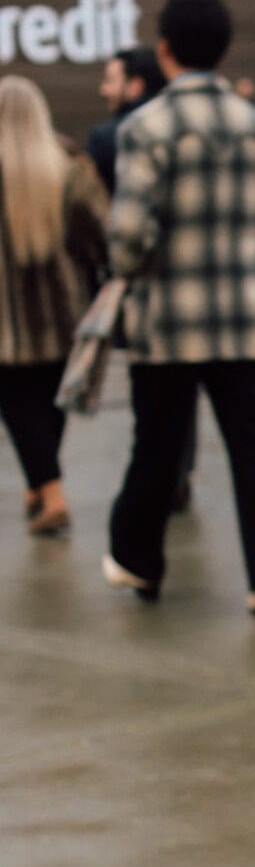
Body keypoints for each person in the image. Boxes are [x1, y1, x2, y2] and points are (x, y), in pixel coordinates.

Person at [104, 0, 255, 615]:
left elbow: (129, 237)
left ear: (164, 49)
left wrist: (128, 270)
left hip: (166, 321)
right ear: (223, 48)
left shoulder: (145, 128)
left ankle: (140, 564)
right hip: (247, 318)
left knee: (158, 447)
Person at [0, 77, 107, 535]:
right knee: (50, 402)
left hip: (6, 320)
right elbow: (99, 232)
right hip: (62, 311)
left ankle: (51, 491)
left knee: (17, 405)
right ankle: (41, 483)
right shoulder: (67, 165)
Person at [86, 46, 164, 197]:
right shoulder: (182, 128)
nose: (103, 90)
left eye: (109, 81)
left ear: (135, 86)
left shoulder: (105, 138)